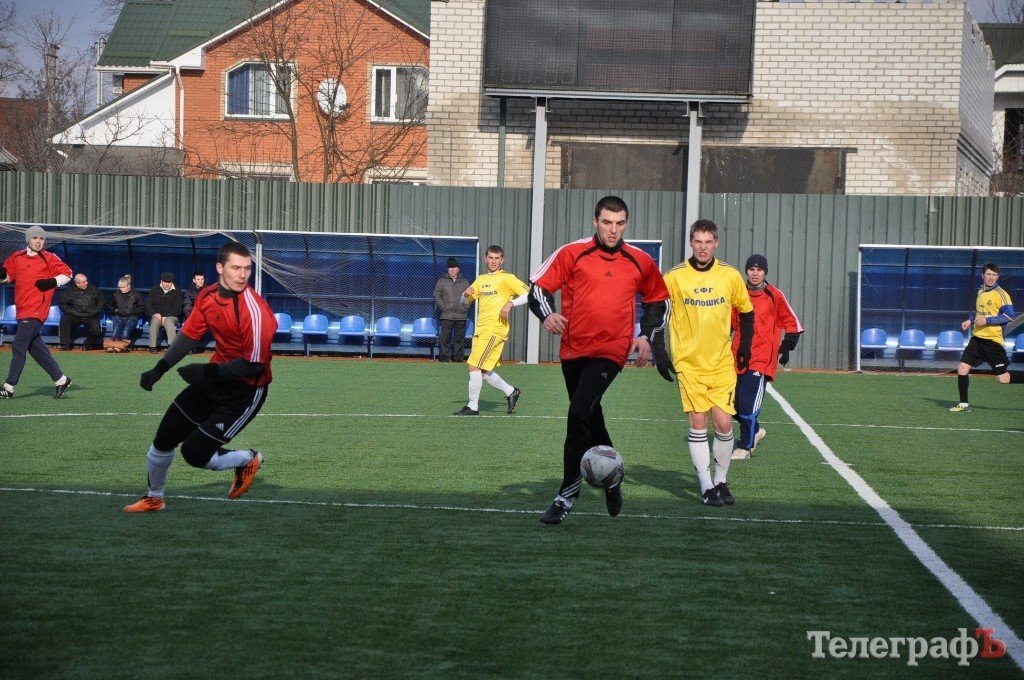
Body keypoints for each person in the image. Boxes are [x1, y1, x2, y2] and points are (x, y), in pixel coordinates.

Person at [529, 196, 671, 525]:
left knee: (579, 410)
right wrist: (548, 316)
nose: (613, 229)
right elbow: (537, 287)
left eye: (620, 223)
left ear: (626, 224)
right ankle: (611, 478)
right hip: (573, 349)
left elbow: (657, 302)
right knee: (592, 417)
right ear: (595, 222)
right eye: (607, 222)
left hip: (612, 350)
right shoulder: (572, 252)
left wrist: (645, 337)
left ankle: (566, 495)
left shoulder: (639, 260)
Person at [124, 241, 277, 513]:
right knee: (163, 439)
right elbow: (188, 336)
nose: (242, 275)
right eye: (236, 268)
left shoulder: (255, 311)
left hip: (243, 392)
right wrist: (160, 369)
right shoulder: (207, 296)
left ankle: (248, 459)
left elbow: (253, 365)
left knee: (194, 454)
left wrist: (204, 371)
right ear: (220, 267)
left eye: (247, 269)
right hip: (214, 380)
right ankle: (154, 498)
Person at [662, 219, 754, 507]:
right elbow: (657, 311)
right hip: (688, 364)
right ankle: (705, 486)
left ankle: (721, 480)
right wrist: (658, 350)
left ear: (716, 243)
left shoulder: (730, 275)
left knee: (724, 424)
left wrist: (745, 348)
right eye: (698, 241)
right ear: (691, 242)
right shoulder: (675, 276)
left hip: (721, 362)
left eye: (708, 242)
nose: (703, 247)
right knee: (699, 421)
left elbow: (747, 312)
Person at [730, 254, 803, 460]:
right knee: (730, 404)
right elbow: (730, 323)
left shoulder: (774, 295)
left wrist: (787, 345)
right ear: (746, 271)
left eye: (759, 270)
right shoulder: (739, 294)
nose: (755, 273)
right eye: (751, 270)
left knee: (747, 402)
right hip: (736, 357)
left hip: (762, 358)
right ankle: (756, 431)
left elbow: (793, 323)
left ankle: (746, 446)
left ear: (765, 272)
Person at [453, 245, 529, 416]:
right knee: (484, 371)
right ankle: (511, 391)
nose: (493, 261)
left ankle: (473, 407)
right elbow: (464, 303)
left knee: (474, 365)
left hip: (495, 330)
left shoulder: (507, 278)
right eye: (491, 258)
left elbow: (530, 294)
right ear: (485, 259)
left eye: (497, 258)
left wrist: (511, 303)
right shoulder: (480, 280)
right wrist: (465, 295)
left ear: (502, 260)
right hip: (481, 330)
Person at [0, 226, 74, 399]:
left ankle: (9, 386)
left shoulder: (49, 258)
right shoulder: (16, 257)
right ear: (28, 240)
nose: (38, 241)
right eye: (35, 238)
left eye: (41, 238)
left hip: (36, 310)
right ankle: (61, 379)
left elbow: (68, 273)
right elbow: (8, 278)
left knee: (19, 345)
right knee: (35, 349)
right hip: (22, 309)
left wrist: (51, 282)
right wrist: (2, 275)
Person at [950, 262, 1023, 411]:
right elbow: (979, 313)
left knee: (1003, 379)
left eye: (994, 275)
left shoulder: (1001, 294)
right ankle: (963, 405)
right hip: (977, 339)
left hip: (993, 342)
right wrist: (970, 320)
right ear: (983, 275)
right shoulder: (980, 292)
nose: (991, 277)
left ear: (998, 277)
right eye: (988, 274)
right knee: (962, 368)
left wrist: (987, 320)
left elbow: (1010, 316)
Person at [433, 257, 470, 362]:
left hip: (461, 316)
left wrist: (465, 307)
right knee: (445, 339)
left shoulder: (464, 282)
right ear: (447, 269)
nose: (452, 270)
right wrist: (444, 307)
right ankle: (445, 358)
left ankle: (458, 360)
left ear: (458, 269)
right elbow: (436, 295)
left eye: (454, 268)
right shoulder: (441, 281)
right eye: (450, 268)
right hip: (446, 315)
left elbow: (468, 297)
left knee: (459, 340)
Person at [58, 273, 106, 351]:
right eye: (84, 282)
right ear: (77, 283)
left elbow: (101, 301)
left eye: (86, 281)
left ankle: (87, 345)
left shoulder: (94, 289)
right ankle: (65, 345)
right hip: (75, 315)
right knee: (64, 319)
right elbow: (62, 304)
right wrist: (73, 311)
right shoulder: (69, 291)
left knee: (96, 331)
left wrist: (95, 311)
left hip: (91, 315)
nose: (86, 283)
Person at [145, 271, 184, 352]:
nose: (167, 284)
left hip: (172, 317)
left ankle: (171, 347)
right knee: (155, 321)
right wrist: (154, 314)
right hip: (157, 316)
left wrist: (165, 316)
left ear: (172, 282)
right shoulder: (154, 290)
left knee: (168, 320)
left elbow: (178, 309)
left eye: (169, 282)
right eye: (165, 282)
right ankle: (152, 347)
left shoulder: (177, 292)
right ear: (161, 281)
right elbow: (148, 304)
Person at [107, 275, 146, 349]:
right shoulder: (115, 295)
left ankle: (122, 347)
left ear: (129, 286)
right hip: (118, 316)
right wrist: (116, 310)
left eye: (123, 287)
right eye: (120, 287)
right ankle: (114, 346)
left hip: (132, 317)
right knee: (116, 330)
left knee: (125, 332)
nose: (121, 289)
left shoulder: (136, 295)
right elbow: (108, 305)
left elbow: (142, 308)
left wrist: (133, 311)